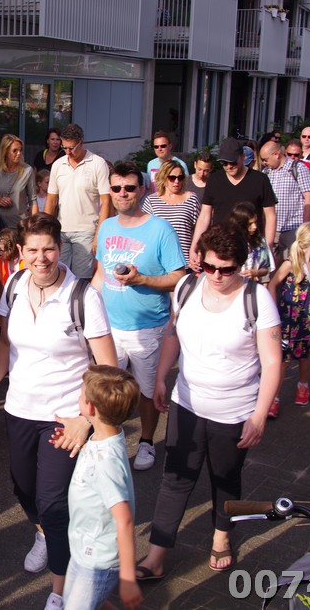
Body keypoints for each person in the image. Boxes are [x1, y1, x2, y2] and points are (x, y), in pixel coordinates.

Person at [0, 213, 116, 610]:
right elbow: (5, 346)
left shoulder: (83, 297)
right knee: (22, 488)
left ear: (60, 248)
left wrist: (86, 420)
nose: (41, 258)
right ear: (21, 251)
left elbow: (108, 368)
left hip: (63, 418)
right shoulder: (15, 285)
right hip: (19, 409)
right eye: (32, 250)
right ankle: (45, 535)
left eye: (48, 248)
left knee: (52, 503)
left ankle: (59, 591)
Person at [138, 223, 281, 579]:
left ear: (240, 265)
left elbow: (273, 362)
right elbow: (173, 333)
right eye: (209, 266)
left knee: (225, 477)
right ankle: (156, 555)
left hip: (234, 410)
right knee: (175, 477)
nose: (216, 276)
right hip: (186, 402)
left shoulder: (257, 299)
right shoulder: (187, 286)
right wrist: (161, 376)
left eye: (226, 270)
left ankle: (221, 537)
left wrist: (259, 415)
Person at [94, 162, 185, 472]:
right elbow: (100, 273)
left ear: (143, 190)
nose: (122, 193)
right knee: (108, 390)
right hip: (109, 326)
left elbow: (178, 277)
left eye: (129, 187)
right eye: (116, 188)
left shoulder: (160, 229)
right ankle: (110, 441)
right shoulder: (107, 226)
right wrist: (86, 309)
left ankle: (146, 441)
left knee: (147, 391)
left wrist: (141, 279)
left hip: (147, 328)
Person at [61, 365, 142, 610]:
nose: (78, 397)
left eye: (80, 394)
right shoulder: (105, 436)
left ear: (90, 407)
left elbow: (124, 520)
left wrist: (128, 579)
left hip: (98, 559)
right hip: (83, 548)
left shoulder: (107, 461)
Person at [267, 222, 310, 415]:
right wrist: (274, 311)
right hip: (289, 316)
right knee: (284, 359)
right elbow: (272, 284)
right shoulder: (290, 262)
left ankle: (303, 386)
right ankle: (274, 397)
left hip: (308, 316)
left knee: (305, 355)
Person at [188, 137, 277, 271]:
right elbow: (205, 215)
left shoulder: (260, 180)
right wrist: (194, 247)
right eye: (224, 163)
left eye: (233, 162)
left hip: (250, 249)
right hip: (220, 246)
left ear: (242, 157)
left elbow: (270, 216)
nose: (229, 166)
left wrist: (267, 247)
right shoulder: (214, 180)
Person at [44, 123, 111, 278]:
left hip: (87, 231)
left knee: (82, 280)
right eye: (64, 147)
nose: (68, 152)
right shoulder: (58, 165)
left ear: (82, 142)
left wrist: (99, 234)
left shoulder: (97, 163)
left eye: (71, 148)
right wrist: (45, 229)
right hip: (61, 230)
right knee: (58, 277)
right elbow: (51, 200)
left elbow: (106, 202)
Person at [258, 141, 310, 261]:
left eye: (265, 159)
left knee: (294, 264)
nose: (264, 162)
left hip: (293, 227)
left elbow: (308, 198)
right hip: (272, 228)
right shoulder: (266, 172)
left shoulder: (298, 168)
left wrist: (305, 227)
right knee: (271, 264)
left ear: (276, 154)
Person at [141, 160, 200, 265]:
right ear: (164, 177)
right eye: (172, 178)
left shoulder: (191, 199)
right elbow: (144, 232)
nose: (176, 181)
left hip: (185, 262)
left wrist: (197, 252)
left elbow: (199, 231)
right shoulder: (151, 201)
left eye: (180, 177)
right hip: (159, 262)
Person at [0, 134, 37, 229]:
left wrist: (34, 226)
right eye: (15, 151)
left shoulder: (27, 170)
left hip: (19, 224)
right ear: (5, 151)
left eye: (20, 150)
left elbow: (33, 200)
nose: (19, 153)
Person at [230, 202, 274, 283]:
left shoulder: (260, 242)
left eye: (255, 222)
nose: (255, 227)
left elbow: (266, 268)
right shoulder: (229, 242)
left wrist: (255, 273)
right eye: (250, 224)